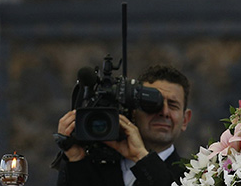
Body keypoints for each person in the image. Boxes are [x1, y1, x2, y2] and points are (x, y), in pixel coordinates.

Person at [54, 65, 192, 186]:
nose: (164, 112)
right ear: (132, 111)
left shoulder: (195, 177)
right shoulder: (94, 168)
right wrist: (75, 159)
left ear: (185, 119)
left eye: (173, 105)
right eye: (152, 104)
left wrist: (141, 157)